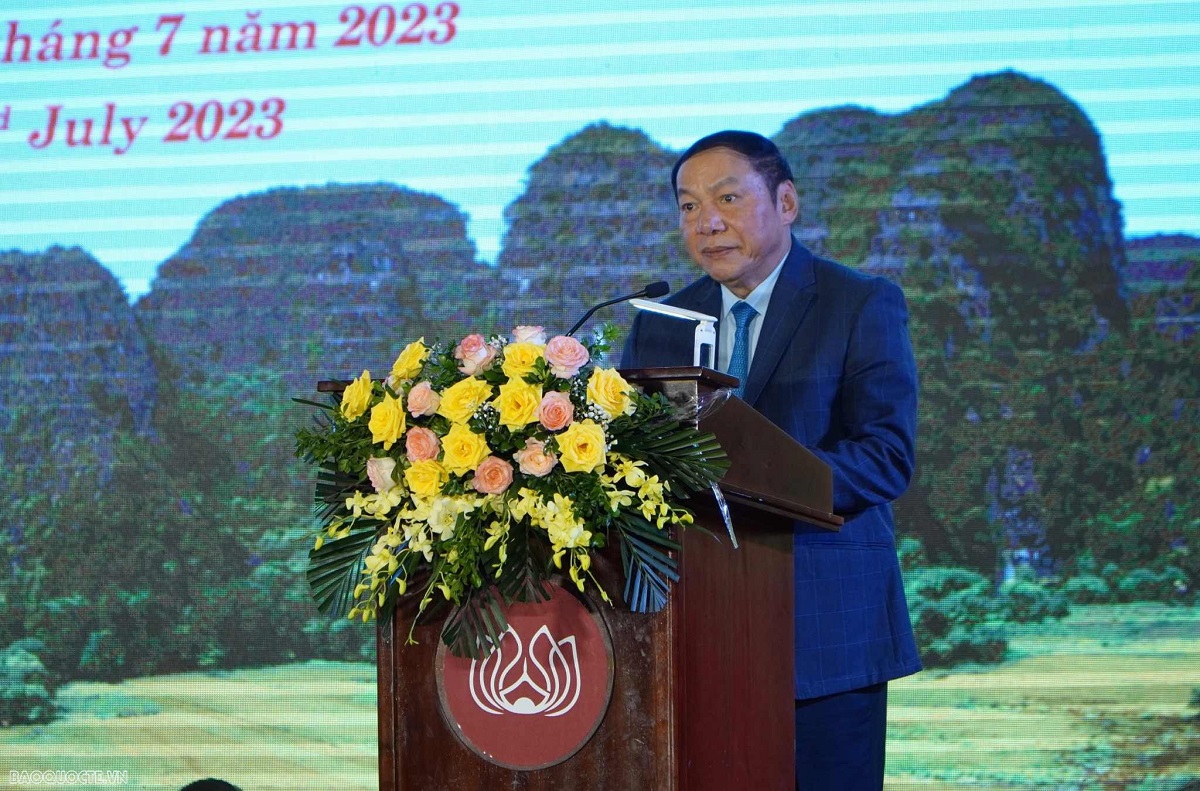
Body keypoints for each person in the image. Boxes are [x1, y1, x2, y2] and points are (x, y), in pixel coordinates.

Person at [622, 130, 922, 790]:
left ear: (786, 202)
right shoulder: (660, 322)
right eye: (689, 206)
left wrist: (760, 475)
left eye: (727, 198)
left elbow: (885, 455)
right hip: (691, 630)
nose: (707, 222)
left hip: (825, 630)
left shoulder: (859, 303)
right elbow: (632, 464)